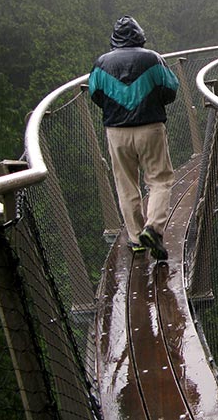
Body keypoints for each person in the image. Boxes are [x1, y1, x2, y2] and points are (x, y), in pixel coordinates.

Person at [88, 15, 179, 261]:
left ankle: (137, 239)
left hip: (116, 131)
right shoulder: (152, 59)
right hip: (150, 127)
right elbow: (171, 89)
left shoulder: (102, 63)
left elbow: (95, 93)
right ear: (140, 35)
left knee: (126, 184)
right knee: (159, 180)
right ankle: (154, 228)